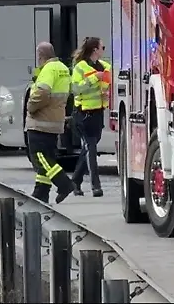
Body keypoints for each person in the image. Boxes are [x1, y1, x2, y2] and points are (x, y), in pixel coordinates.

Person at [25, 41, 76, 203]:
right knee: (47, 157)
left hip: (41, 121)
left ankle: (64, 184)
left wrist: (30, 106)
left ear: (40, 56)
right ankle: (41, 192)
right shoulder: (62, 68)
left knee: (40, 158)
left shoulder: (48, 69)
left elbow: (42, 93)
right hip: (55, 121)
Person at [69, 36, 111, 197]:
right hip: (83, 114)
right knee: (91, 148)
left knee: (88, 148)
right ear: (95, 50)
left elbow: (108, 85)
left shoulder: (105, 66)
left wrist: (106, 91)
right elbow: (76, 89)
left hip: (98, 114)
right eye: (102, 47)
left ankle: (75, 181)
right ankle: (96, 186)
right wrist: (95, 78)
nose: (103, 50)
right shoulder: (80, 67)